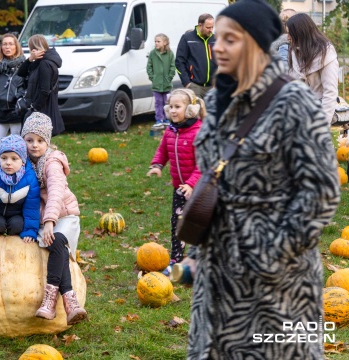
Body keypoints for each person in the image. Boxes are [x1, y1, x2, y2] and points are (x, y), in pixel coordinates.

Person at [181, 0, 340, 358]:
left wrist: (269, 257)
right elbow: (213, 179)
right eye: (216, 37)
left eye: (230, 39)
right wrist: (196, 250)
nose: (217, 46)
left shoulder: (294, 102)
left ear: (255, 44)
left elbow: (322, 194)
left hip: (276, 283)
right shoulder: (220, 101)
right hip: (215, 274)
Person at [21, 112, 86, 325]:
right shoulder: (20, 159)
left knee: (57, 241)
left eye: (40, 140)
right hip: (41, 218)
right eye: (29, 140)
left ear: (47, 142)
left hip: (63, 216)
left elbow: (56, 192)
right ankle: (70, 300)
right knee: (57, 247)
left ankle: (49, 300)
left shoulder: (52, 162)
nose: (34, 145)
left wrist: (50, 221)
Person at [146, 88, 203, 269]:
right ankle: (176, 259)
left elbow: (203, 164)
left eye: (177, 106)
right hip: (179, 189)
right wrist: (157, 165)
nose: (172, 110)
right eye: (170, 106)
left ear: (190, 110)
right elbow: (163, 151)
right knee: (177, 223)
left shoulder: (198, 133)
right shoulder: (170, 131)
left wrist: (191, 183)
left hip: (199, 190)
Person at [0, 134, 41, 243]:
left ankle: (13, 243)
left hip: (16, 215)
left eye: (14, 158)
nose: (8, 162)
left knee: (17, 225)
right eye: (4, 158)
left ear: (23, 161)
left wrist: (30, 231)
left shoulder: (30, 179)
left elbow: (31, 208)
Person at [286, 13, 339, 125]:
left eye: (290, 33)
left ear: (300, 33)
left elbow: (330, 92)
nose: (287, 37)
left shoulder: (326, 53)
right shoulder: (293, 51)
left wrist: (322, 125)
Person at [16, 35, 65, 136]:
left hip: (42, 109)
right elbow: (21, 73)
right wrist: (30, 59)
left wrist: (34, 107)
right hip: (38, 107)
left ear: (34, 48)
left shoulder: (45, 64)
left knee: (38, 140)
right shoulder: (38, 62)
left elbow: (44, 90)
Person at [0, 34, 26, 156]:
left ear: (16, 46)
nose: (7, 47)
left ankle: (18, 171)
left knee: (16, 147)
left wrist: (21, 99)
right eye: (4, 44)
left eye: (10, 44)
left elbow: (28, 87)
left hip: (16, 112)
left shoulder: (24, 66)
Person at [175, 13, 217, 99]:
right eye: (208, 27)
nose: (211, 30)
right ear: (200, 25)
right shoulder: (187, 38)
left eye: (212, 27)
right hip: (195, 86)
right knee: (197, 112)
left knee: (211, 112)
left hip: (213, 87)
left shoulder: (215, 39)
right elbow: (179, 62)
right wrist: (186, 82)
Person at [147, 33, 176, 130]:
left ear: (165, 42)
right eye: (155, 41)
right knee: (158, 102)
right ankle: (159, 119)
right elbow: (149, 67)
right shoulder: (152, 54)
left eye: (158, 41)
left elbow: (173, 66)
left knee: (166, 102)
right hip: (157, 84)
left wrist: (169, 77)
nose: (156, 43)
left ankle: (167, 119)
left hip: (167, 84)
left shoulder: (170, 54)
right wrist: (153, 77)